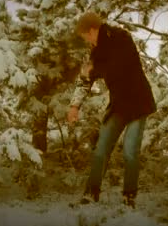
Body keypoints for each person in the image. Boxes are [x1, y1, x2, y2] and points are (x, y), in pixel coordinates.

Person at [67, 11, 156, 208]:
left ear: (92, 30)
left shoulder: (121, 37)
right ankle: (91, 194)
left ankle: (129, 197)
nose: (86, 41)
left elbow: (119, 67)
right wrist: (74, 106)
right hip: (118, 105)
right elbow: (85, 80)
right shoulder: (95, 52)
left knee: (130, 151)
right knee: (101, 149)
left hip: (139, 102)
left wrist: (94, 70)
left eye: (85, 36)